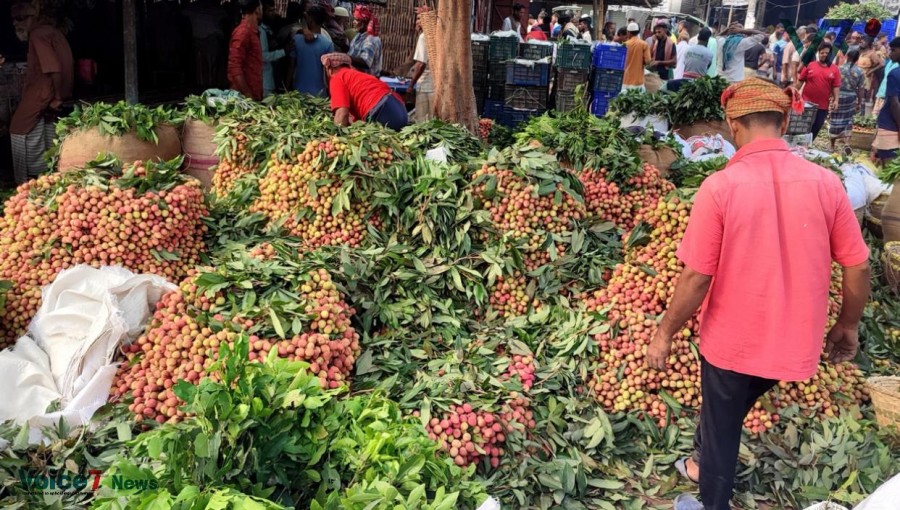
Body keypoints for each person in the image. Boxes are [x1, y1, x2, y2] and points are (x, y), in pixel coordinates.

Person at [651, 77, 870, 510]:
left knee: (722, 425)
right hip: (796, 341)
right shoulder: (827, 184)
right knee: (727, 409)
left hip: (734, 341)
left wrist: (665, 331)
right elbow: (858, 265)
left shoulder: (719, 188)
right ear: (785, 120)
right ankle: (699, 458)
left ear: (733, 125)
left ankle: (712, 500)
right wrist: (847, 325)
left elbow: (696, 278)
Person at [9, 0, 73, 185]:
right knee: (46, 128)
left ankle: (26, 182)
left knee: (18, 128)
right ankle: (48, 176)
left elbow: (53, 68)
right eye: (14, 19)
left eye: (21, 18)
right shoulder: (52, 32)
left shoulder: (38, 34)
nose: (16, 23)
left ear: (35, 16)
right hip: (50, 93)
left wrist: (57, 97)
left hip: (43, 92)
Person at [321, 52, 408, 130]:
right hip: (399, 109)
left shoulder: (337, 77)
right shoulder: (354, 75)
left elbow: (342, 114)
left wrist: (335, 138)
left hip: (382, 111)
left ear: (330, 69)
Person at [798, 42, 841, 140]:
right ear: (818, 53)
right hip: (806, 103)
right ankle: (800, 144)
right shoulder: (810, 65)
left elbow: (836, 86)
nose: (824, 55)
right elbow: (800, 81)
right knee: (803, 126)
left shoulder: (834, 69)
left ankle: (809, 145)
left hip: (822, 105)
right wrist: (793, 92)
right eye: (822, 53)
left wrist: (836, 100)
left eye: (827, 53)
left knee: (817, 126)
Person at [290, 2, 333, 96]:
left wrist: (287, 86)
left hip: (298, 93)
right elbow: (329, 72)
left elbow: (291, 66)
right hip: (319, 94)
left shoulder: (296, 40)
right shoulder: (328, 43)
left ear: (311, 21)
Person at [830, 50, 865, 150]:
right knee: (848, 120)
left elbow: (832, 84)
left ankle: (832, 146)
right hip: (851, 97)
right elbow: (861, 88)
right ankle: (846, 143)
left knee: (835, 119)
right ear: (857, 59)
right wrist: (859, 102)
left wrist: (831, 97)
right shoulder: (860, 71)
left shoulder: (838, 69)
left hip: (838, 96)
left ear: (847, 56)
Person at [873, 38, 900, 164]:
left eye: (893, 50)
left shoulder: (894, 74)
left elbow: (895, 104)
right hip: (892, 121)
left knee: (889, 164)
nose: (890, 53)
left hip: (891, 123)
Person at [408, 6, 434, 123]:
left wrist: (410, 85)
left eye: (419, 18)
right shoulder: (434, 36)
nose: (416, 21)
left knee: (422, 120)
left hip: (425, 86)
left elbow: (420, 64)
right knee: (431, 119)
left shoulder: (424, 37)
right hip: (434, 85)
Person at [259, 0, 285, 97]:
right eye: (270, 11)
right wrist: (283, 52)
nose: (273, 13)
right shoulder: (261, 31)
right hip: (264, 81)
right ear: (262, 12)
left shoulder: (268, 29)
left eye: (274, 10)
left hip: (270, 79)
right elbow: (264, 56)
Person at [348, 5, 382, 76]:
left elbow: (365, 62)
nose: (354, 22)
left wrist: (345, 58)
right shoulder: (358, 36)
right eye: (354, 19)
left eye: (357, 20)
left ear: (365, 23)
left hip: (368, 81)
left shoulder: (371, 39)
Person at [622, 22, 651, 91]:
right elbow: (648, 61)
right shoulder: (644, 44)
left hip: (626, 80)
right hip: (638, 81)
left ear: (629, 32)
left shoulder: (625, 45)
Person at [858, 36, 884, 106]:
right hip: (856, 76)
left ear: (869, 43)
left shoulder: (872, 53)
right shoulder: (859, 51)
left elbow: (881, 64)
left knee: (862, 97)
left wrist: (871, 70)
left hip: (865, 77)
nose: (862, 42)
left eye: (864, 41)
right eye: (861, 40)